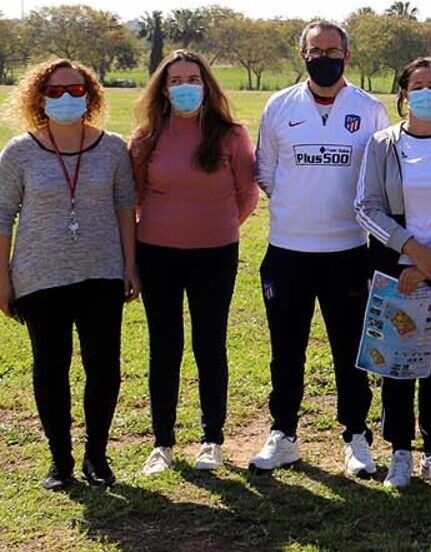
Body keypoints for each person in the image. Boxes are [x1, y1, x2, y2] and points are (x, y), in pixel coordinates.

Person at [249, 20, 390, 476]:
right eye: (315, 50)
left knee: (350, 349)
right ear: (302, 55)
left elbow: (379, 178)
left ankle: (355, 438)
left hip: (349, 251)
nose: (324, 57)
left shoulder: (369, 109)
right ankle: (283, 434)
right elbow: (267, 172)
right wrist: (300, 207)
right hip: (288, 251)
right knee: (285, 349)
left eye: (333, 50)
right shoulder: (279, 106)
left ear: (347, 56)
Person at [0, 59, 138, 489]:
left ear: (91, 96)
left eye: (76, 91)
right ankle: (60, 461)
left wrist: (130, 265)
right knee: (50, 366)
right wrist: (2, 279)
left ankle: (96, 456)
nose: (65, 98)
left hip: (101, 273)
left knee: (104, 366)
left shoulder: (113, 148)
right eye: (55, 91)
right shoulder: (19, 152)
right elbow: (2, 217)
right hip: (40, 276)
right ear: (39, 97)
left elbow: (124, 208)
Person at [129, 50, 258, 476]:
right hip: (157, 254)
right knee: (164, 347)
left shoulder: (230, 134)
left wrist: (217, 226)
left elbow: (247, 192)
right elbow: (133, 197)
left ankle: (211, 439)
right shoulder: (146, 137)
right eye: (176, 80)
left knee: (209, 344)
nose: (185, 87)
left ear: (207, 86)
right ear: (163, 90)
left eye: (194, 79)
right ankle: (162, 442)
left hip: (215, 254)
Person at [356, 57, 431, 490]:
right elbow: (366, 206)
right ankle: (400, 453)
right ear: (404, 94)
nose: (426, 93)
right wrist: (410, 253)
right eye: (417, 86)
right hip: (394, 266)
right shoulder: (381, 144)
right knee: (396, 359)